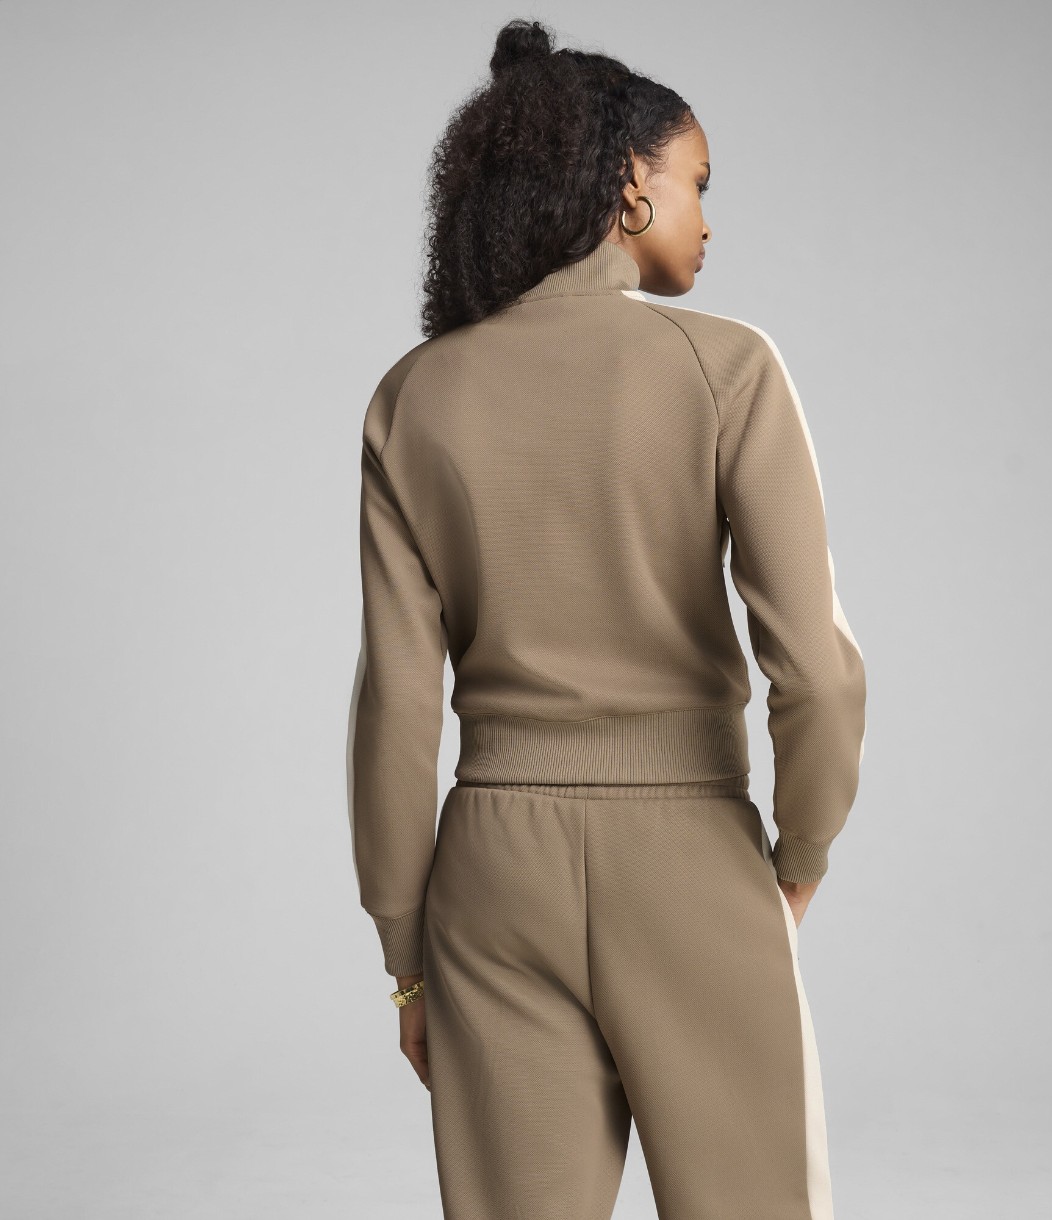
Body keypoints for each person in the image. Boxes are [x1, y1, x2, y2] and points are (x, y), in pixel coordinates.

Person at [346, 17, 867, 1219]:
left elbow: (397, 705)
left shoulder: (411, 397)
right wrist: (797, 857)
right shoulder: (727, 368)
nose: (706, 217)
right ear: (629, 183)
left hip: (490, 876)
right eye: (696, 182)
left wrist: (405, 955)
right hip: (689, 855)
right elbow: (814, 671)